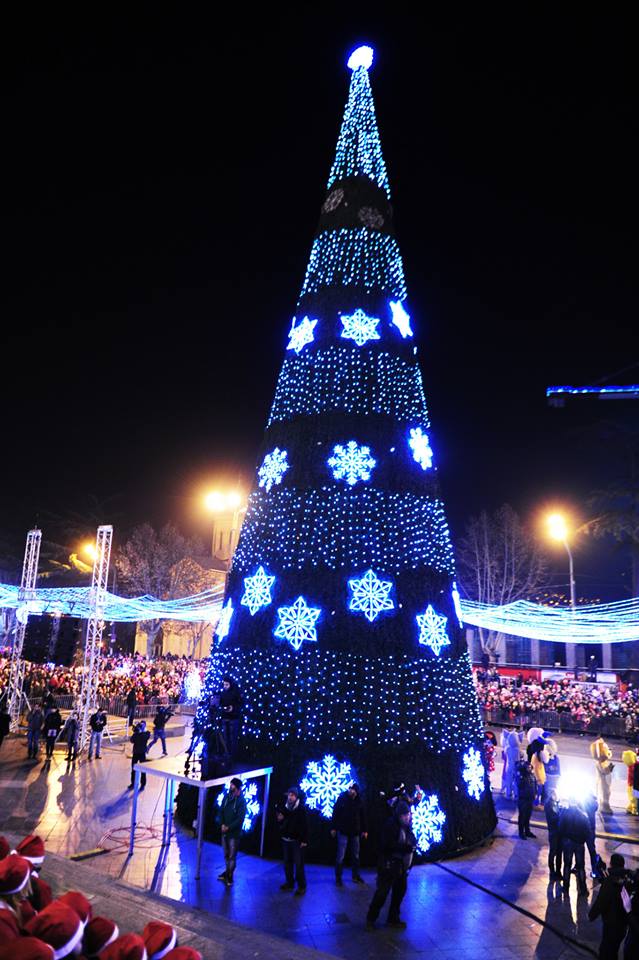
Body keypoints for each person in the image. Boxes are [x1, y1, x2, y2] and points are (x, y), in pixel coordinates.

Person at [366, 800, 416, 930]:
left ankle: (393, 918)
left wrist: (411, 845)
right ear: (399, 815)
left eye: (409, 814)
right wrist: (405, 848)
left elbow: (410, 838)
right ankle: (371, 919)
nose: (408, 817)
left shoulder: (407, 826)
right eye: (405, 815)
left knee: (399, 892)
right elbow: (387, 845)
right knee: (382, 893)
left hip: (401, 866)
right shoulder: (391, 825)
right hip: (389, 865)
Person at [589, 852, 629, 959]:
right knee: (613, 949)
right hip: (623, 925)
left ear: (611, 864)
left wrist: (592, 915)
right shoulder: (625, 879)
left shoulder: (610, 882)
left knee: (606, 951)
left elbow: (601, 901)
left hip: (612, 924)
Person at [331, 783, 367, 885]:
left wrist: (365, 830)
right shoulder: (342, 798)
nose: (351, 791)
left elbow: (363, 816)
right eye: (350, 789)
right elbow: (335, 813)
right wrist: (333, 827)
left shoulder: (359, 800)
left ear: (356, 791)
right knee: (340, 855)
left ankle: (355, 876)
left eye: (353, 789)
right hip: (343, 830)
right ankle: (338, 878)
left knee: (356, 855)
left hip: (355, 831)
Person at [276, 787, 308, 895]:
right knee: (287, 863)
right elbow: (281, 823)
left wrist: (304, 840)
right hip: (286, 839)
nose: (290, 797)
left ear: (296, 797)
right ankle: (289, 883)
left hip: (296, 840)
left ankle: (301, 886)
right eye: (289, 795)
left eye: (292, 795)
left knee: (299, 864)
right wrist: (280, 821)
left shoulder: (301, 809)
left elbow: (305, 825)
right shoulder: (284, 808)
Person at [217, 778, 247, 888]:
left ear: (238, 789)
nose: (231, 788)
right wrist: (222, 824)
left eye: (233, 786)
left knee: (232, 856)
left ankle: (230, 875)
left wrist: (228, 827)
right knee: (226, 854)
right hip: (224, 832)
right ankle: (227, 872)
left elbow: (240, 819)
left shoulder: (241, 802)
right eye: (231, 786)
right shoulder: (226, 797)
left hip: (233, 835)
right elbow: (221, 811)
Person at [559, 800, 590, 896]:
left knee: (567, 865)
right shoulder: (583, 815)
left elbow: (560, 828)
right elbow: (587, 831)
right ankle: (583, 889)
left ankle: (565, 887)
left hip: (568, 842)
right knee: (581, 867)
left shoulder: (565, 814)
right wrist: (582, 840)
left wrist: (565, 838)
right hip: (579, 843)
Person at [591, 736, 614, 814]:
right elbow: (604, 771)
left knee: (605, 793)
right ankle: (605, 808)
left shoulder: (602, 762)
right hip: (603, 782)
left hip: (605, 781)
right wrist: (610, 768)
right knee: (605, 794)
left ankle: (604, 806)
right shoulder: (600, 762)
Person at [219, 677, 241, 758]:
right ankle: (226, 753)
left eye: (227, 685)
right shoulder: (223, 693)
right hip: (225, 717)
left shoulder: (236, 692)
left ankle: (233, 754)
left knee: (232, 737)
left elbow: (240, 703)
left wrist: (233, 708)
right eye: (224, 684)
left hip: (233, 718)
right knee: (225, 737)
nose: (225, 686)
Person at [515, 760, 537, 839]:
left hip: (530, 799)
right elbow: (519, 786)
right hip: (523, 799)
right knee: (522, 817)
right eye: (528, 767)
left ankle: (527, 831)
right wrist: (521, 773)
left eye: (530, 767)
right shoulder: (521, 775)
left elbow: (535, 785)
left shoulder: (532, 775)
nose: (530, 768)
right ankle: (521, 833)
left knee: (528, 816)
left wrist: (535, 793)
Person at [544, 789, 562, 880]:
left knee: (559, 853)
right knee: (553, 852)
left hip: (558, 832)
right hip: (554, 832)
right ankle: (552, 872)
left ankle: (558, 871)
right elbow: (553, 818)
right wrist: (561, 814)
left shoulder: (554, 803)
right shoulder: (549, 805)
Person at [128, 721, 150, 790]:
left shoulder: (147, 733)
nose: (141, 726)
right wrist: (136, 733)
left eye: (143, 725)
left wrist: (141, 732)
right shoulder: (137, 733)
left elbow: (144, 738)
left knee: (143, 769)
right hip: (135, 753)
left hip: (142, 753)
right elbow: (131, 740)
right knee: (133, 769)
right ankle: (133, 783)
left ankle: (143, 784)